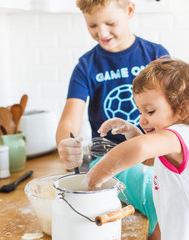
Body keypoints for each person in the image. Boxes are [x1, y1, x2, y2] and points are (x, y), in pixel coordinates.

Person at [86, 58, 189, 240]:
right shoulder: (179, 143)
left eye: (150, 111)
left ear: (183, 109)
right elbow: (149, 158)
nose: (142, 120)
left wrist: (94, 178)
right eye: (140, 111)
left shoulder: (179, 135)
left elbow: (140, 148)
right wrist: (133, 132)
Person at [55, 0, 169, 238]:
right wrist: (67, 144)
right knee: (155, 197)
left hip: (153, 156)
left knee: (166, 195)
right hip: (106, 162)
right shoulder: (86, 66)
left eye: (110, 23)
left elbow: (172, 112)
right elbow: (69, 121)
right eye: (92, 25)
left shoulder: (156, 55)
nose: (102, 32)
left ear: (129, 10)